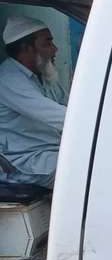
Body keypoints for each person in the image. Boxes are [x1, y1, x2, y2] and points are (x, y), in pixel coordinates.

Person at [0, 17, 68, 187]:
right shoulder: (9, 80)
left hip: (52, 153)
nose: (55, 49)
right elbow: (62, 118)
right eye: (48, 44)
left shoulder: (44, 76)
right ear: (26, 49)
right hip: (27, 162)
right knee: (93, 171)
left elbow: (71, 108)